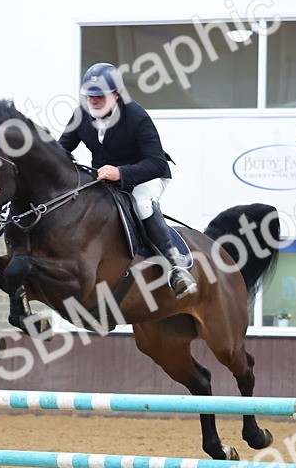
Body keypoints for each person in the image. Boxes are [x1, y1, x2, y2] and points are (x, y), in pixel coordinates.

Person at [58, 63, 197, 299]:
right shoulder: (81, 114)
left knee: (142, 204)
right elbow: (62, 151)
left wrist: (120, 173)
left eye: (99, 96)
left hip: (146, 176)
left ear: (116, 94)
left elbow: (157, 164)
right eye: (89, 95)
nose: (93, 100)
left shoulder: (136, 116)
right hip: (106, 177)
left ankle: (177, 267)